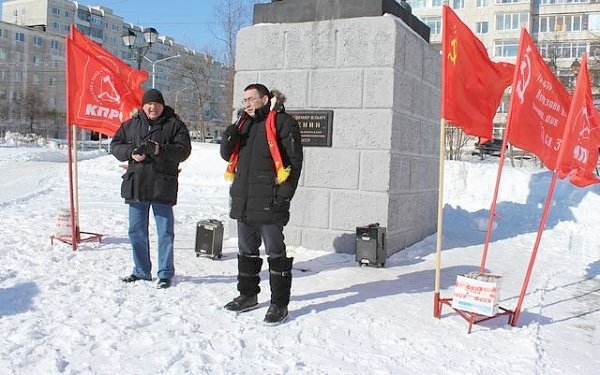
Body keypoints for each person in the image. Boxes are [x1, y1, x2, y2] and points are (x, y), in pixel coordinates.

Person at [220, 83, 303, 325]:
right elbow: (226, 153)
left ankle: (279, 303)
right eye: (244, 100)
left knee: (276, 253)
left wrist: (283, 197)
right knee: (246, 251)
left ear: (265, 99)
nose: (246, 103)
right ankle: (248, 295)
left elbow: (294, 163)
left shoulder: (282, 122)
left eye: (251, 99)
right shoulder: (243, 125)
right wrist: (234, 128)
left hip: (270, 201)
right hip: (244, 200)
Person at [110, 88, 191, 289]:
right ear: (143, 106)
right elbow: (115, 145)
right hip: (136, 184)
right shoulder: (131, 125)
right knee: (136, 230)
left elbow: (184, 151)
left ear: (162, 106)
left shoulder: (175, 125)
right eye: (148, 104)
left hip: (162, 185)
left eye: (156, 104)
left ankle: (165, 273)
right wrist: (131, 152)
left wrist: (159, 149)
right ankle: (141, 271)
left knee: (165, 232)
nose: (152, 107)